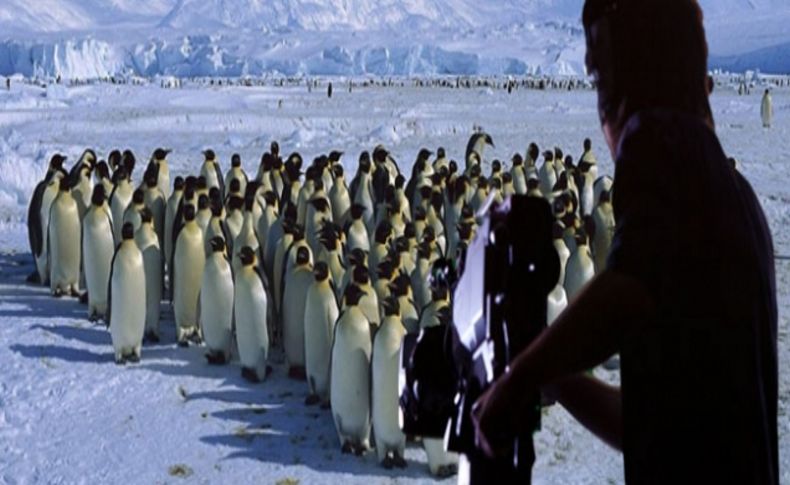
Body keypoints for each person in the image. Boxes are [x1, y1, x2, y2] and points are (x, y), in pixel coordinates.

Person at [471, 1, 778, 484]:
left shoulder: (668, 154)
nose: (603, 111)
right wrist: (555, 374)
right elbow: (653, 424)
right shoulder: (729, 195)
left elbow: (629, 289)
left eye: (601, 82)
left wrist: (522, 377)